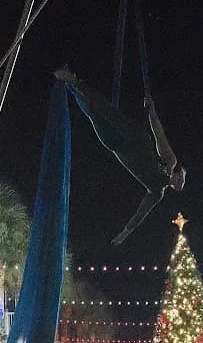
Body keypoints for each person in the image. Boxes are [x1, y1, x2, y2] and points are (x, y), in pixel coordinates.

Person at [54, 67, 186, 245]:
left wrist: (124, 233)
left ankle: (73, 88)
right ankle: (74, 81)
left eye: (180, 185)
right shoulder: (170, 160)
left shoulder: (157, 190)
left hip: (117, 146)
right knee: (106, 110)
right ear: (178, 174)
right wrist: (151, 110)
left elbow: (141, 213)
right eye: (182, 180)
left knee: (94, 116)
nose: (179, 184)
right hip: (134, 135)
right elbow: (158, 132)